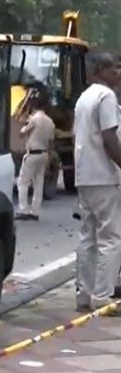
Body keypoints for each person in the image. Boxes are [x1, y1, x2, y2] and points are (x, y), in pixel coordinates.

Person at [72, 52, 121, 313]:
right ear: (102, 70)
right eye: (115, 68)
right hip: (103, 175)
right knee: (111, 237)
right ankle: (103, 296)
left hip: (85, 175)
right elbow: (109, 136)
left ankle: (84, 295)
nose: (119, 73)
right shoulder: (106, 96)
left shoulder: (84, 97)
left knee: (87, 237)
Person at [16, 92, 55, 221]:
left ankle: (23, 209)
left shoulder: (34, 119)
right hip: (44, 154)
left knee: (23, 181)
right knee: (39, 184)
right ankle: (35, 211)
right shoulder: (50, 122)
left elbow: (22, 133)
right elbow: (51, 143)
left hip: (32, 154)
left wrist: (25, 120)